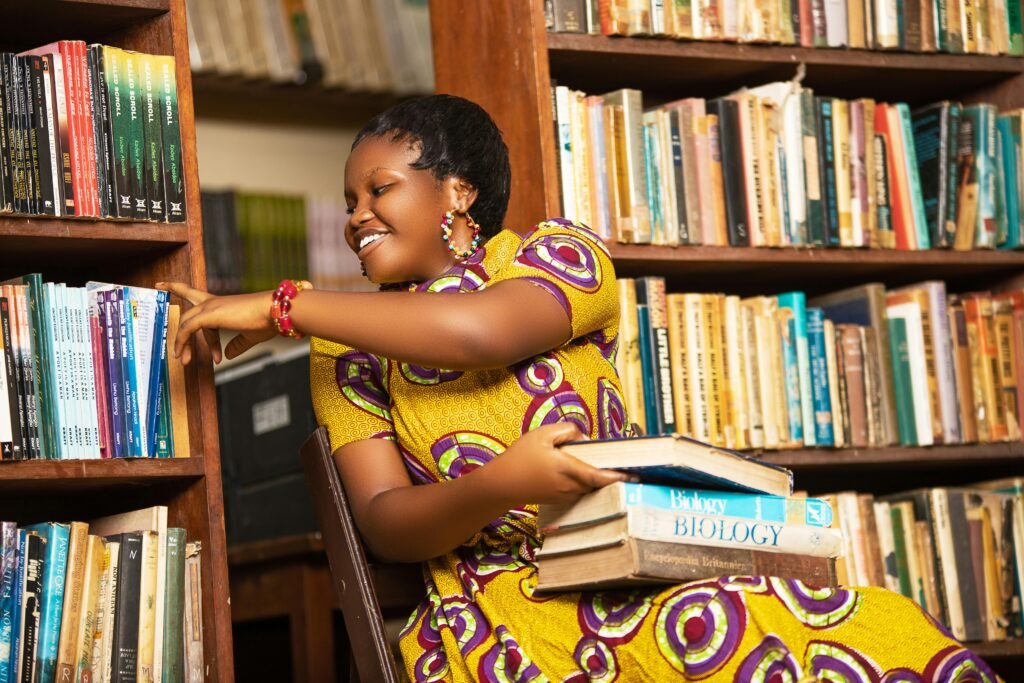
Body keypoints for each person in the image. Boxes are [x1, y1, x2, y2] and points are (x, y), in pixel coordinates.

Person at [161, 94, 999, 682]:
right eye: (349, 199)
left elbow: (480, 331)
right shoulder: (340, 352)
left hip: (640, 568)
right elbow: (386, 525)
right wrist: (504, 483)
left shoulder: (558, 256)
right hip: (503, 612)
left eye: (379, 189)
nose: (356, 215)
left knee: (867, 624)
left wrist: (284, 305)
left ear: (458, 192)